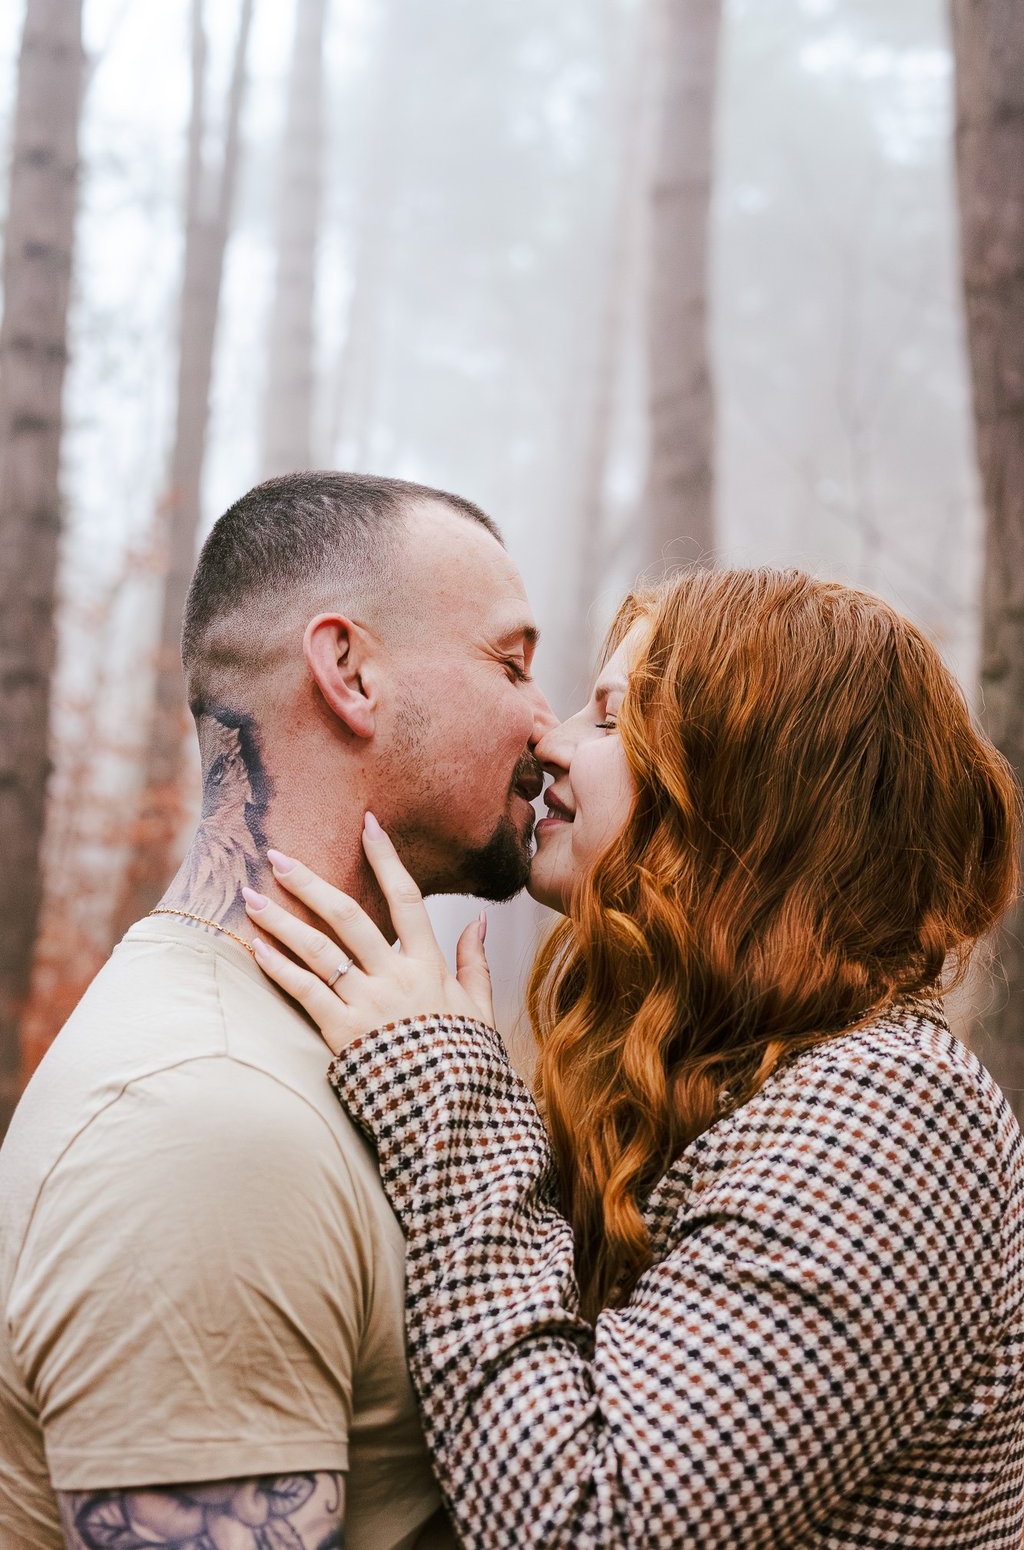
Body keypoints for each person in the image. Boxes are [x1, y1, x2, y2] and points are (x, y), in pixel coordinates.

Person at [247, 567, 1024, 1548]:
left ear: (752, 791)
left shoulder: (896, 1110)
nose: (551, 740)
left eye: (612, 718)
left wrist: (443, 1094)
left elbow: (589, 1523)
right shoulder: (719, 1078)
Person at [0, 471, 555, 1550]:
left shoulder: (315, 1051)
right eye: (511, 663)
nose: (548, 721)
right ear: (349, 672)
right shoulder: (201, 1122)